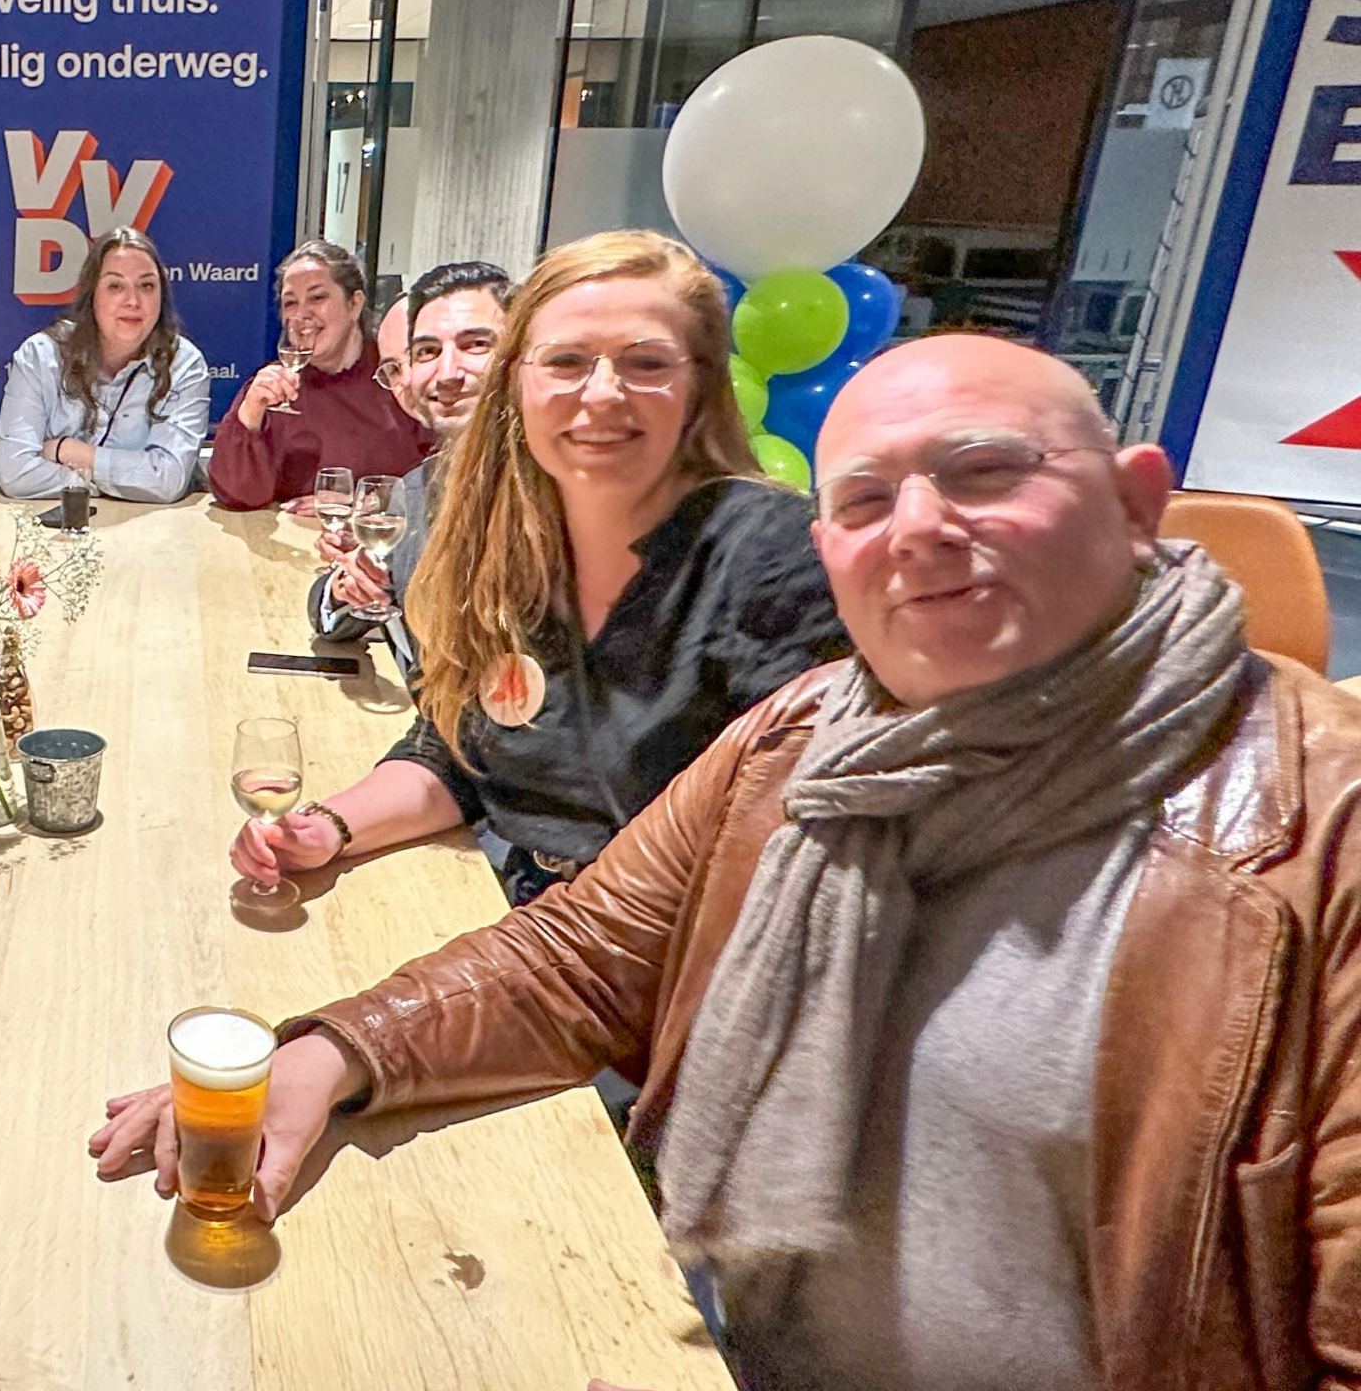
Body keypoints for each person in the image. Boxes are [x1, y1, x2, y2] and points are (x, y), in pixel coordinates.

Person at [93, 334, 1361, 1390]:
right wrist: (329, 1050)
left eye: (981, 472)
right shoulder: (815, 736)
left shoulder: (1322, 837)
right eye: (865, 498)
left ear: (1137, 500)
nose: (916, 529)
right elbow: (577, 957)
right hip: (702, 1330)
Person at [242, 230, 846, 904]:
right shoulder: (487, 521)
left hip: (638, 960)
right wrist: (329, 826)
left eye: (646, 363)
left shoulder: (771, 557)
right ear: (520, 383)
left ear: (700, 385)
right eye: (566, 362)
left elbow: (767, 871)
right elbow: (460, 750)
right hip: (510, 901)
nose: (603, 394)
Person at [310, 261, 516, 663]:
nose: (446, 373)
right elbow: (329, 612)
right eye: (427, 352)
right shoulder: (416, 490)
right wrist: (346, 585)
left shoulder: (563, 496)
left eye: (476, 345)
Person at [209, 239, 434, 511]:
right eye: (290, 303)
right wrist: (249, 415)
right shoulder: (274, 386)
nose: (302, 314)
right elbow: (237, 495)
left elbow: (441, 477)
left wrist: (364, 503)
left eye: (317, 297)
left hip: (380, 543)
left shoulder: (397, 374)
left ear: (355, 304)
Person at [0, 227, 213, 505]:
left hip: (147, 532)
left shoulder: (185, 365)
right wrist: (118, 484)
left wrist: (69, 451)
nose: (133, 301)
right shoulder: (40, 356)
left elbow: (168, 480)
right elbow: (17, 475)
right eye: (115, 286)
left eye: (146, 286)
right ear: (92, 295)